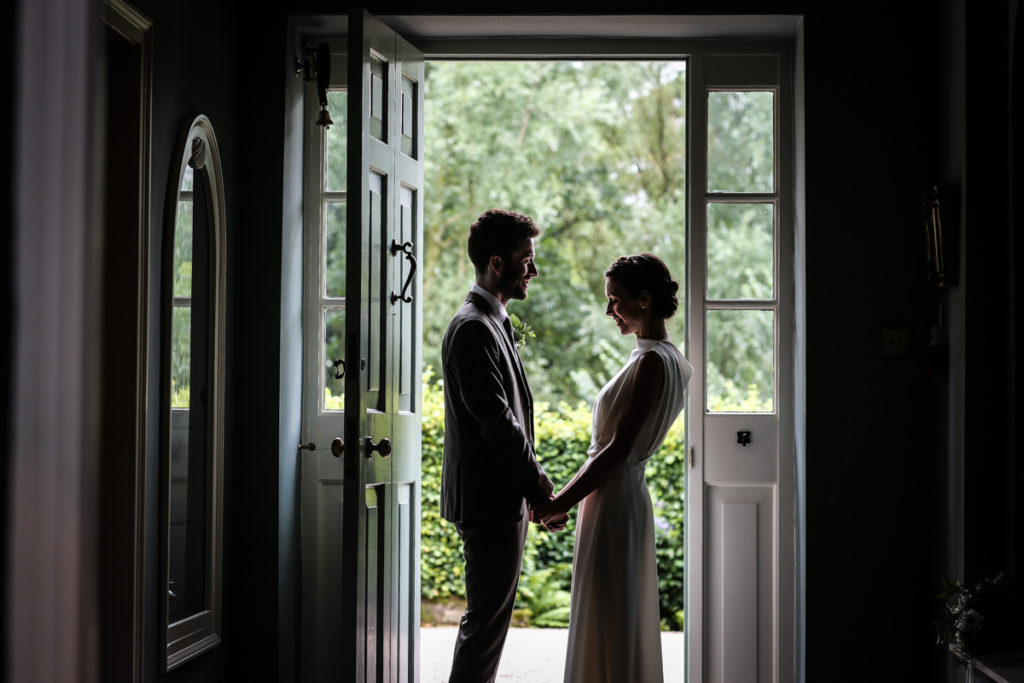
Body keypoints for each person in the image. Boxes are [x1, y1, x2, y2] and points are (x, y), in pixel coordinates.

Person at [533, 252, 693, 683]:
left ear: (643, 299)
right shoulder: (670, 359)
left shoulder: (653, 362)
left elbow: (616, 450)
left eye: (615, 299)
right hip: (620, 495)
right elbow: (610, 450)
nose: (609, 310)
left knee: (610, 606)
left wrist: (557, 502)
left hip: (616, 498)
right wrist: (563, 499)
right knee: (613, 607)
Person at [440, 208, 568, 683]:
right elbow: (497, 424)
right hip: (488, 501)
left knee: (488, 624)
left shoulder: (493, 320)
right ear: (497, 263)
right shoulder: (473, 327)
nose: (533, 270)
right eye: (526, 259)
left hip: (498, 498)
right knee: (485, 627)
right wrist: (539, 487)